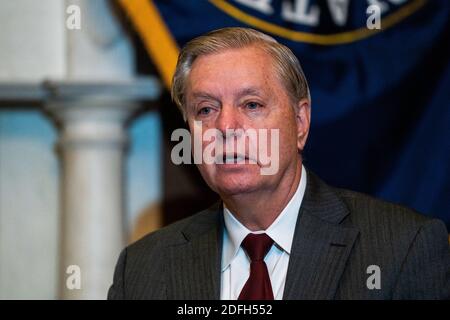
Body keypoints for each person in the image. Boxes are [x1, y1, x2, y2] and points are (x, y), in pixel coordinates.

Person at [108, 27, 450, 300]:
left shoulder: (404, 247)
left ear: (300, 122)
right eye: (206, 110)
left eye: (252, 104)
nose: (226, 128)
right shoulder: (141, 268)